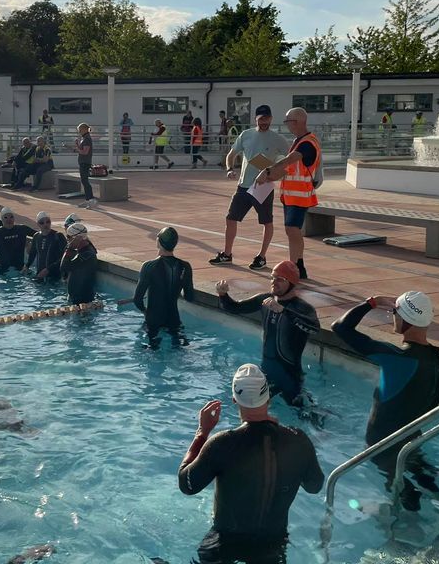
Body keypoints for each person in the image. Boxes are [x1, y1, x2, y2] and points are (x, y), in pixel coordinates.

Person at [177, 364, 324, 564]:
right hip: (272, 547)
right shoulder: (298, 441)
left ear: (235, 400)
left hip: (223, 545)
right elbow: (314, 486)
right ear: (268, 398)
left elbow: (187, 484)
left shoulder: (222, 444)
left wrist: (201, 433)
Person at [331, 291, 439, 511]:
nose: (392, 316)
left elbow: (340, 328)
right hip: (412, 445)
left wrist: (371, 303)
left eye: (395, 312)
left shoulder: (397, 358)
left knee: (401, 506)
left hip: (383, 452)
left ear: (406, 319)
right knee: (426, 491)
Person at [215, 261, 320, 408]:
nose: (273, 282)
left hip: (290, 378)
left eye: (280, 279)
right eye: (272, 277)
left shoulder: (302, 308)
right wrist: (223, 294)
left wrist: (284, 312)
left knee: (304, 415)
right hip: (266, 374)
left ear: (292, 283)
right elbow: (234, 308)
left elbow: (314, 328)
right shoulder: (264, 300)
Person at [210, 105, 288, 270]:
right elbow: (231, 155)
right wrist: (230, 169)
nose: (264, 122)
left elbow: (289, 159)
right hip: (244, 186)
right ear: (256, 119)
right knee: (231, 218)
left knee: (267, 221)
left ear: (271, 119)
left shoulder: (277, 139)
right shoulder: (246, 135)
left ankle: (262, 256)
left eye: (267, 119)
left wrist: (273, 172)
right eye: (261, 119)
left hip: (263, 187)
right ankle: (227, 254)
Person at [254, 108, 321, 281]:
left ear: (297, 122)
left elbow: (290, 159)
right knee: (291, 230)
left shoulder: (306, 143)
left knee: (292, 229)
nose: (286, 125)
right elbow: (289, 169)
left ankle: (295, 266)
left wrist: (269, 170)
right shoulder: (299, 141)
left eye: (287, 121)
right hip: (291, 196)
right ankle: (298, 266)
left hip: (300, 196)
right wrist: (270, 175)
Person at [133, 227, 194, 347]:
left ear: (158, 242)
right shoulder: (185, 266)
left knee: (152, 352)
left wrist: (145, 312)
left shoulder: (149, 266)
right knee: (178, 350)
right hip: (174, 321)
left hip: (153, 321)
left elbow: (137, 300)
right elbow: (189, 297)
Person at [0, 207, 35, 274]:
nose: (9, 220)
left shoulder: (22, 229)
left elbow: (38, 235)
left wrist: (32, 243)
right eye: (6, 217)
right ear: (2, 219)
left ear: (14, 218)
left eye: (11, 217)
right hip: (3, 267)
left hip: (20, 267)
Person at [24, 211, 67, 283]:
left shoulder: (58, 236)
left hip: (55, 276)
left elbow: (65, 257)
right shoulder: (36, 236)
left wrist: (48, 269)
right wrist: (27, 266)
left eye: (48, 222)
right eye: (42, 223)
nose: (45, 224)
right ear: (38, 224)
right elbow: (33, 253)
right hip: (40, 275)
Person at [61, 222, 97, 304]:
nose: (67, 240)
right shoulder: (83, 251)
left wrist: (70, 248)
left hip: (83, 301)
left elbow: (64, 267)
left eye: (68, 237)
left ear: (78, 238)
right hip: (78, 299)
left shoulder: (87, 254)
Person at [74, 123, 96, 208]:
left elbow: (85, 152)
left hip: (85, 162)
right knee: (84, 181)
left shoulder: (87, 139)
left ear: (84, 129)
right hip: (83, 161)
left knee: (85, 181)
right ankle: (88, 200)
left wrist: (77, 150)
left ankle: (91, 199)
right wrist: (77, 145)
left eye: (80, 130)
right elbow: (82, 149)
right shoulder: (84, 138)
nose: (79, 132)